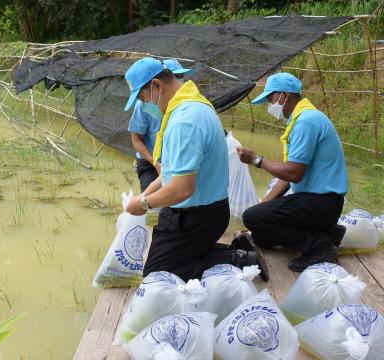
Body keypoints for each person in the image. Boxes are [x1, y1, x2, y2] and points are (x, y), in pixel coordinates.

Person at [123, 57, 269, 282]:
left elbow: (182, 189)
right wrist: (145, 194)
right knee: (170, 261)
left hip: (196, 216)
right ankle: (232, 250)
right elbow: (169, 174)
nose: (144, 106)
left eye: (142, 99)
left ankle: (238, 259)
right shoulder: (193, 105)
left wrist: (143, 204)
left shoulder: (184, 121)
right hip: (208, 210)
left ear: (157, 86)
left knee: (157, 275)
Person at [234, 72, 348, 272]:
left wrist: (256, 160)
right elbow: (286, 176)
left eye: (270, 99)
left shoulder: (306, 122)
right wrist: (263, 207)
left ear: (284, 96)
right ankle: (326, 232)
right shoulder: (302, 119)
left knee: (252, 218)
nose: (270, 105)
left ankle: (320, 246)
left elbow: (293, 174)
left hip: (321, 203)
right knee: (260, 233)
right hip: (318, 202)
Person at [129, 59, 194, 192]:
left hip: (171, 162)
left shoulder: (187, 111)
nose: (178, 82)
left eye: (180, 77)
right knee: (155, 201)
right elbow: (136, 139)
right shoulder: (145, 106)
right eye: (176, 76)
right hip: (151, 161)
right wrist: (156, 164)